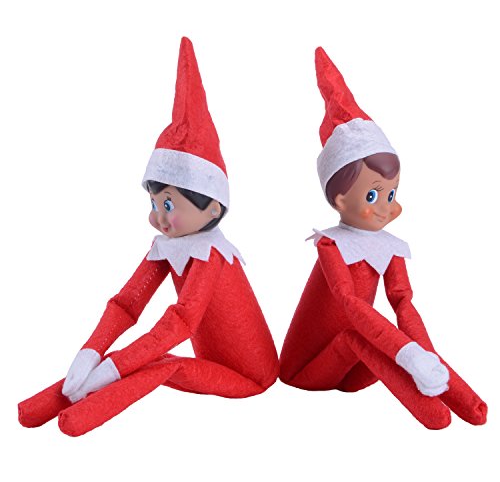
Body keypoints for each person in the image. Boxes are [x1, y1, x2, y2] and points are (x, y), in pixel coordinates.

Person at [18, 37, 279, 437]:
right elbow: (127, 303)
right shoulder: (169, 246)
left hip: (250, 375)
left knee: (162, 365)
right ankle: (51, 399)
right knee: (141, 359)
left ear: (213, 207)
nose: (156, 218)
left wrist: (115, 366)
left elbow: (181, 322)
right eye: (154, 203)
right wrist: (90, 352)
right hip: (209, 359)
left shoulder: (212, 254)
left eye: (168, 204)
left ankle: (80, 416)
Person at [279, 46, 487, 429]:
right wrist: (407, 353)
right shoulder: (330, 244)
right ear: (340, 200)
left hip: (351, 372)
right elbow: (348, 303)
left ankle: (460, 397)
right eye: (374, 196)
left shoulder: (390, 248)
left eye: (391, 195)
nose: (387, 207)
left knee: (384, 343)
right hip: (305, 370)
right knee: (359, 339)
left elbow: (402, 302)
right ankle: (432, 412)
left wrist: (426, 355)